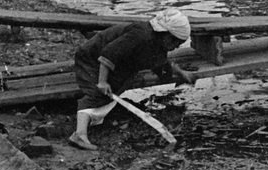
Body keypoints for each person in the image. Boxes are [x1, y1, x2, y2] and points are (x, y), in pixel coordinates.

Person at [69, 8, 195, 151]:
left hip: (119, 63)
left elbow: (161, 62)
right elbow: (109, 54)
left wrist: (181, 73)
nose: (176, 47)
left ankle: (95, 116)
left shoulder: (157, 42)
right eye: (175, 42)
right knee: (99, 93)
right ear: (166, 34)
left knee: (118, 85)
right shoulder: (139, 35)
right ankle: (79, 134)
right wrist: (102, 81)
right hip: (92, 58)